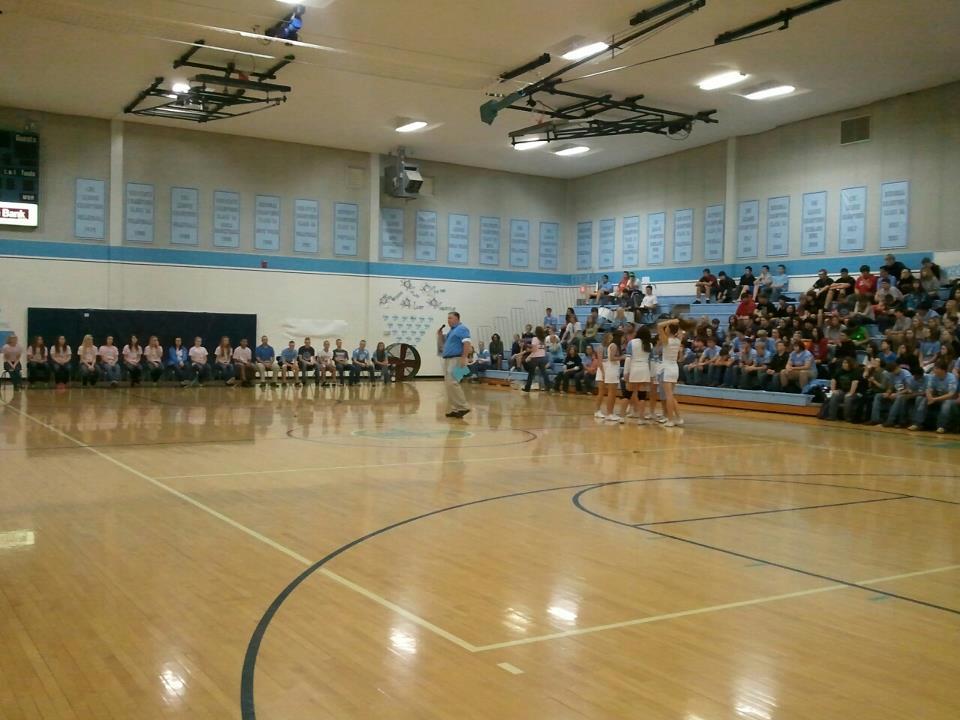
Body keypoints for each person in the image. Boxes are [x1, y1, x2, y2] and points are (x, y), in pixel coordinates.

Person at [437, 311, 472, 418]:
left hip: (457, 359)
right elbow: (444, 345)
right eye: (448, 318)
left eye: (450, 318)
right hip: (448, 360)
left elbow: (467, 343)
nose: (448, 320)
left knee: (453, 382)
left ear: (457, 318)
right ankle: (455, 409)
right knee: (449, 385)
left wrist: (464, 357)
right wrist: (440, 335)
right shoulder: (451, 331)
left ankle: (463, 407)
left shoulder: (462, 329)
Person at [909, 361, 957, 433]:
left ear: (943, 370)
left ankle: (942, 426)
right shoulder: (933, 376)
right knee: (923, 400)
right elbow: (928, 389)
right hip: (936, 397)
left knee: (946, 405)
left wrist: (934, 399)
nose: (934, 370)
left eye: (936, 368)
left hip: (949, 398)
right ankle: (917, 424)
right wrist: (930, 397)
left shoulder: (951, 378)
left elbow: (951, 394)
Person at [657, 319, 685, 426]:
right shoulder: (678, 340)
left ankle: (670, 420)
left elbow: (659, 325)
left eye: (667, 327)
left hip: (667, 369)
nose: (666, 328)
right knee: (671, 396)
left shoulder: (666, 340)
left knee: (668, 396)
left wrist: (671, 321)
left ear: (669, 329)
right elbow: (681, 330)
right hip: (674, 368)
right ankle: (679, 418)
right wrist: (676, 323)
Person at [624, 326, 653, 422]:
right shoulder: (650, 345)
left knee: (627, 394)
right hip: (645, 370)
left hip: (634, 370)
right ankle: (641, 418)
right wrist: (651, 375)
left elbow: (628, 359)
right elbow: (651, 362)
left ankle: (621, 416)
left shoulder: (632, 343)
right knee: (642, 396)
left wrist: (626, 372)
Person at [596, 331, 623, 422]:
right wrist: (603, 373)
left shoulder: (611, 347)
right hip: (602, 369)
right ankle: (597, 410)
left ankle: (608, 411)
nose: (611, 339)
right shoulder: (601, 347)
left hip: (608, 368)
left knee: (609, 391)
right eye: (610, 337)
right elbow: (600, 362)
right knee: (601, 391)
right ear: (606, 338)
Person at [522, 327, 550, 393]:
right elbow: (545, 348)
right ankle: (548, 387)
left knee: (531, 373)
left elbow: (534, 350)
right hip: (543, 357)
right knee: (544, 373)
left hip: (536, 358)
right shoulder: (543, 339)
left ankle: (527, 388)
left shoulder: (535, 338)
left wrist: (528, 351)